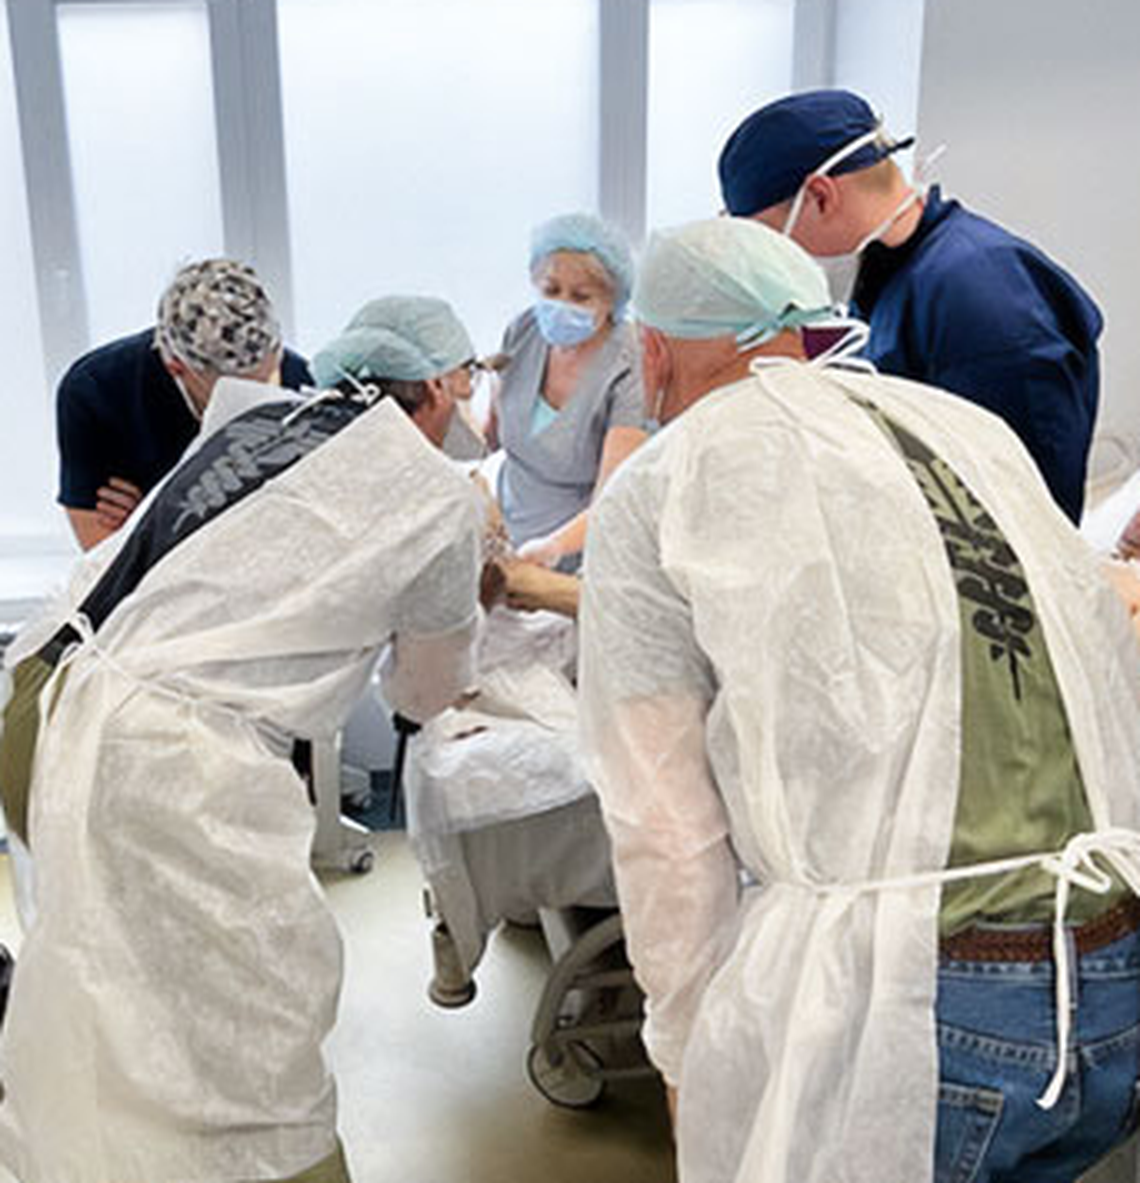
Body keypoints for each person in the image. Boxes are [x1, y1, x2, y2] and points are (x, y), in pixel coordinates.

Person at [577, 216, 1140, 1183]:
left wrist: (682, 1049)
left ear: (654, 349)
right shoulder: (968, 429)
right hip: (1117, 958)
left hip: (926, 1003)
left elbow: (663, 825)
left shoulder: (667, 482)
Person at [0, 297, 486, 1183]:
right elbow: (427, 691)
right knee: (245, 1047)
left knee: (105, 1000)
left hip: (44, 692)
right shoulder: (436, 498)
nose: (472, 394)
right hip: (158, 765)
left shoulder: (268, 415)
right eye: (467, 376)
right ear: (438, 388)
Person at [718, 89, 1103, 524]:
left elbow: (1022, 506)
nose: (776, 262)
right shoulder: (891, 278)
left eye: (770, 240)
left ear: (822, 196)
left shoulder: (978, 289)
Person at [56, 258, 313, 550]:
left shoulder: (301, 386)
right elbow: (104, 564)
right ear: (175, 366)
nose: (260, 398)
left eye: (269, 377)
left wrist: (152, 523)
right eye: (237, 391)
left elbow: (299, 532)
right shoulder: (98, 392)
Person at [490, 212, 647, 568]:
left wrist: (553, 548)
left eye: (581, 297)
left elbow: (613, 496)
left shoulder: (629, 362)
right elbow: (494, 435)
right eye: (551, 290)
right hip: (507, 529)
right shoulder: (524, 331)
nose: (561, 305)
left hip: (581, 550)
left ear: (613, 302)